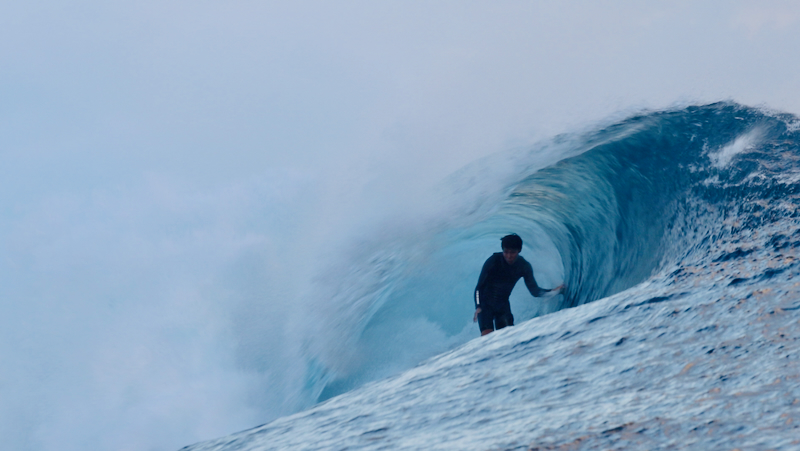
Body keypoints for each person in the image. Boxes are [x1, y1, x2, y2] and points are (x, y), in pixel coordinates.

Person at [473, 234, 564, 336]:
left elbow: (534, 291)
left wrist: (554, 291)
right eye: (506, 252)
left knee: (507, 337)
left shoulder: (523, 266)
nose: (509, 256)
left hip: (503, 306)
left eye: (512, 252)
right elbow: (479, 287)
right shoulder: (493, 261)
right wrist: (478, 306)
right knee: (487, 338)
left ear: (519, 250)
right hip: (485, 306)